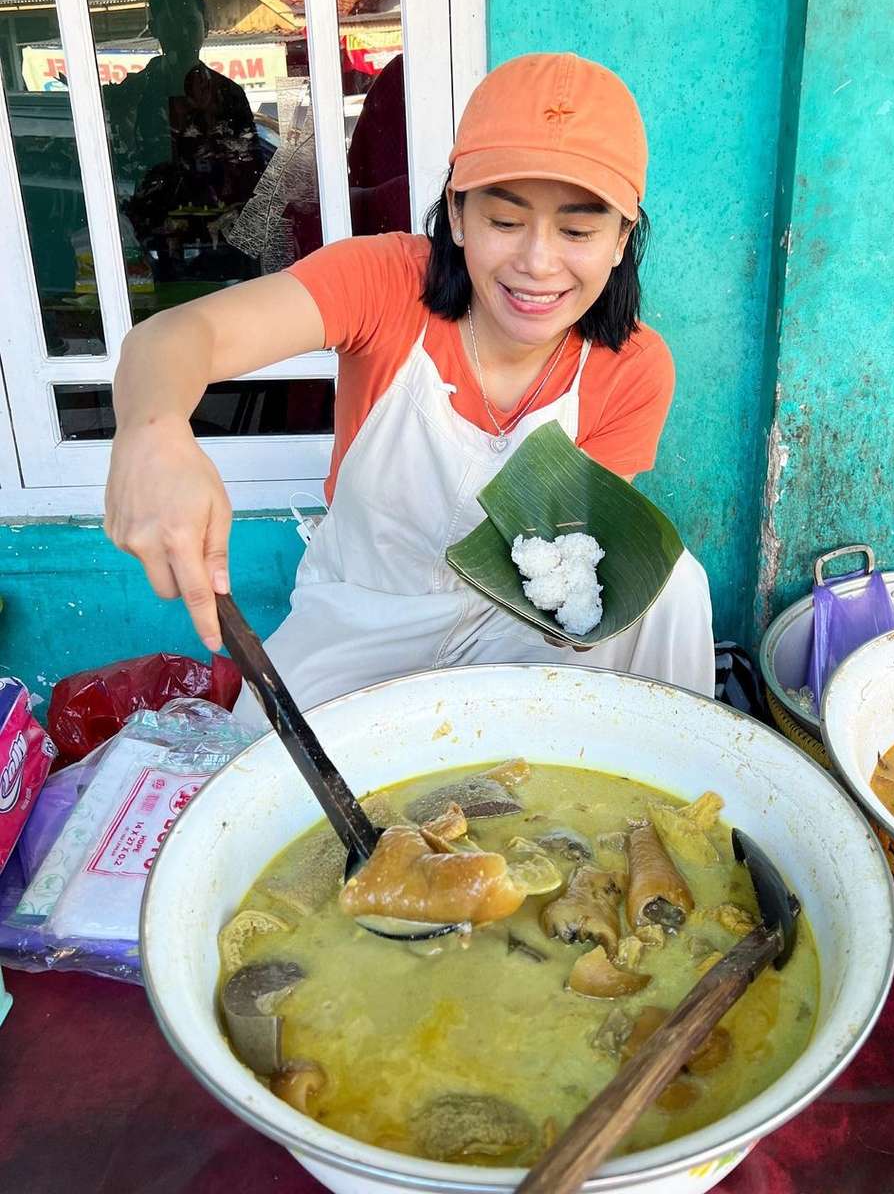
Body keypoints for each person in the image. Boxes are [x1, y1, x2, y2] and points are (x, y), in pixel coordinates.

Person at [105, 53, 715, 724]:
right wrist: (153, 432)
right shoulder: (384, 284)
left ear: (622, 239)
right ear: (457, 214)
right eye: (505, 221)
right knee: (269, 768)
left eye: (577, 230)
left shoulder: (633, 367)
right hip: (357, 625)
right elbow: (176, 336)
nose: (538, 263)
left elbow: (569, 556)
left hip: (515, 629)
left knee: (673, 589)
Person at [105, 0, 265, 284]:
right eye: (170, 24)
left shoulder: (228, 94)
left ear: (206, 26)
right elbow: (116, 171)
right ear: (154, 28)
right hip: (152, 248)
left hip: (221, 246)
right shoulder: (132, 95)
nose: (181, 33)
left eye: (190, 22)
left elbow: (250, 174)